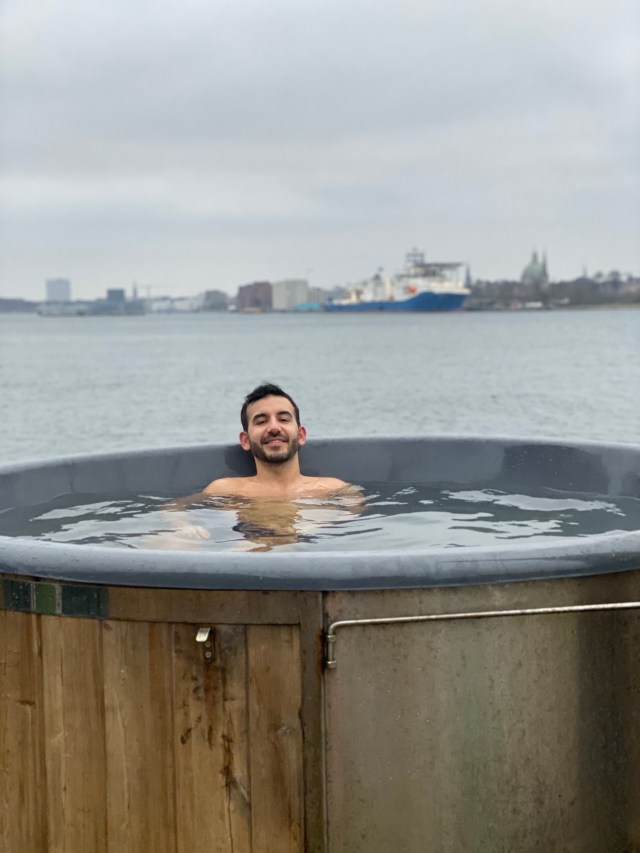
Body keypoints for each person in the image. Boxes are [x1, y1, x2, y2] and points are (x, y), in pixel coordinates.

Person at [204, 383, 353, 499]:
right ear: (245, 440)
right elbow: (182, 512)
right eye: (261, 421)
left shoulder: (336, 491)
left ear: (301, 435)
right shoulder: (224, 492)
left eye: (283, 419)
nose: (274, 428)